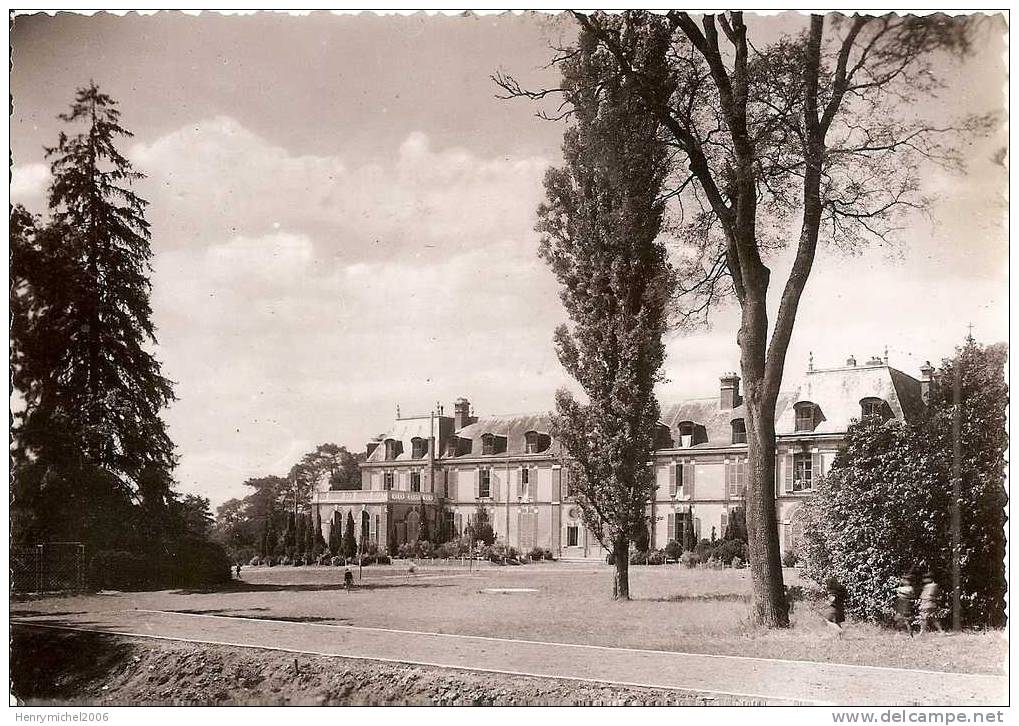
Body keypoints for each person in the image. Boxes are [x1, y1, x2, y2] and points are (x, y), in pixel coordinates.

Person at [893, 569, 920, 636]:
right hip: (901, 604)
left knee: (905, 620)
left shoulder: (909, 588)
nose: (903, 581)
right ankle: (899, 632)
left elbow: (901, 592)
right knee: (899, 619)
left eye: (905, 580)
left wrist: (899, 589)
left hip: (905, 605)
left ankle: (910, 634)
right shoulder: (905, 588)